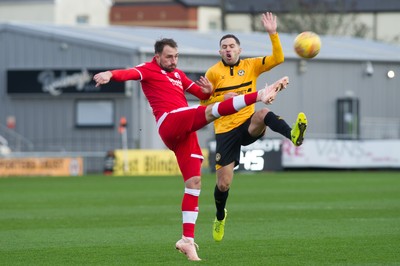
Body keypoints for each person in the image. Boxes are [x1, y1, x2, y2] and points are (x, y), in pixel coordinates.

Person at [93, 38, 288, 261]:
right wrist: (109, 74)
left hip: (184, 132)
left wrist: (208, 91)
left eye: (176, 56)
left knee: (194, 182)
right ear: (157, 57)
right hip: (169, 121)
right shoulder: (147, 69)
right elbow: (127, 73)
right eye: (169, 57)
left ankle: (187, 240)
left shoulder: (178, 75)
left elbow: (202, 95)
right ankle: (259, 95)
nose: (173, 61)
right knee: (208, 113)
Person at [200, 12, 308, 242]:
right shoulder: (213, 73)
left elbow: (278, 59)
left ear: (239, 49)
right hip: (225, 131)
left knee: (263, 113)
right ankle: (220, 216)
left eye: (232, 46)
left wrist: (273, 34)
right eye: (224, 47)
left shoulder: (251, 66)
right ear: (220, 52)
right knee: (223, 183)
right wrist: (221, 100)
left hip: (247, 125)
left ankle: (293, 134)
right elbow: (204, 106)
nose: (228, 49)